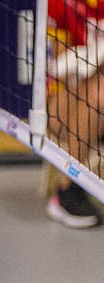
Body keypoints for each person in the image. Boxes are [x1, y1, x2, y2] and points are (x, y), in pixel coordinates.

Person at [45, 0, 104, 226]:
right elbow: (55, 66)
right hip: (65, 110)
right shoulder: (60, 4)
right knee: (98, 88)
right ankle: (68, 189)